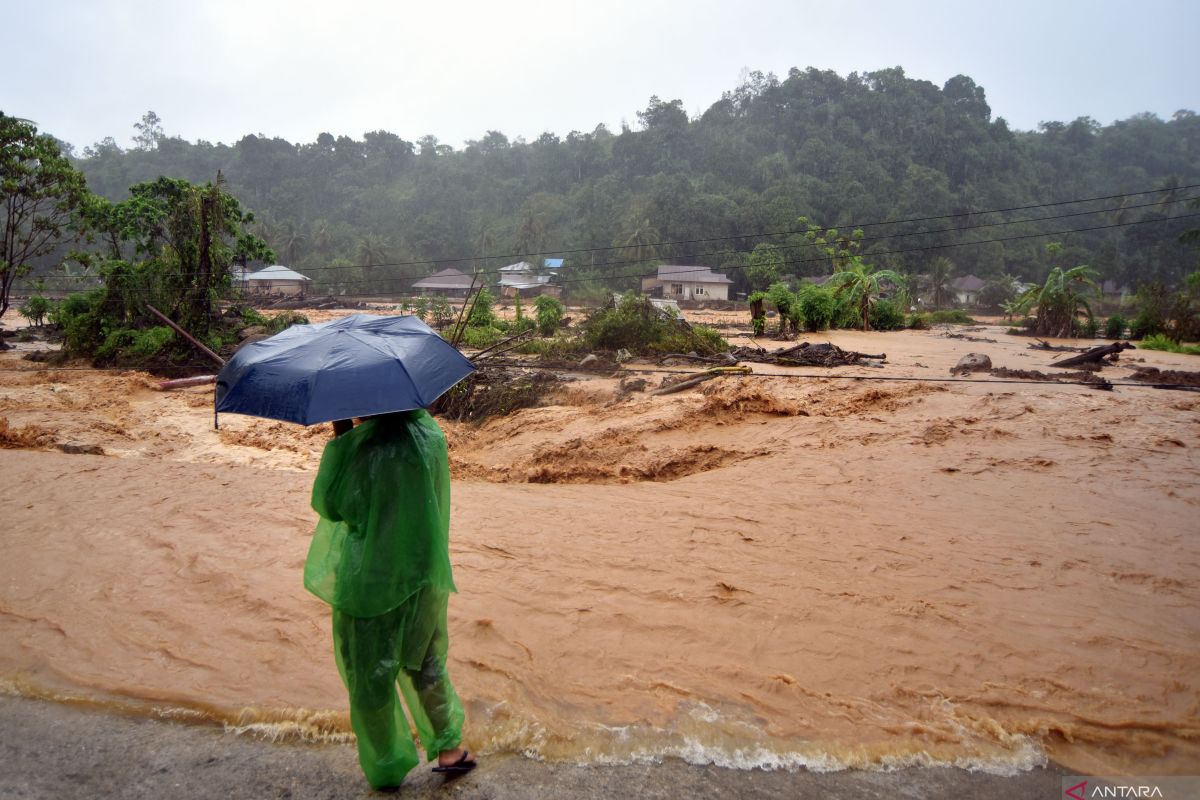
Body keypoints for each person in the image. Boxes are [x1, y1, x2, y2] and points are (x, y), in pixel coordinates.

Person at [305, 410, 476, 789]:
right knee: (426, 661)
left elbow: (333, 504)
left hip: (369, 579)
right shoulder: (429, 433)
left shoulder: (368, 448)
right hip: (420, 571)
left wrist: (342, 437)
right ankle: (450, 749)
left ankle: (386, 767)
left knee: (369, 674)